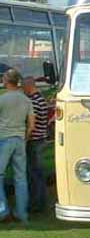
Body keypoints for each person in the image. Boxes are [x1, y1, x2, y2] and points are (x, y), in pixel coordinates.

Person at [0, 69, 35, 222]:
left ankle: (3, 211)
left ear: (6, 81)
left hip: (4, 139)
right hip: (20, 140)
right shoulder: (26, 99)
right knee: (21, 178)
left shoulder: (2, 99)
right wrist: (25, 138)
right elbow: (31, 125)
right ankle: (22, 214)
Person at [23, 76, 49, 212]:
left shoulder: (33, 102)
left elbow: (31, 124)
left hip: (33, 141)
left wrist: (25, 138)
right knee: (39, 173)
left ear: (28, 86)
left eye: (24, 87)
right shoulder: (41, 99)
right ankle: (41, 202)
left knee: (34, 174)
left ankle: (36, 204)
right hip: (41, 139)